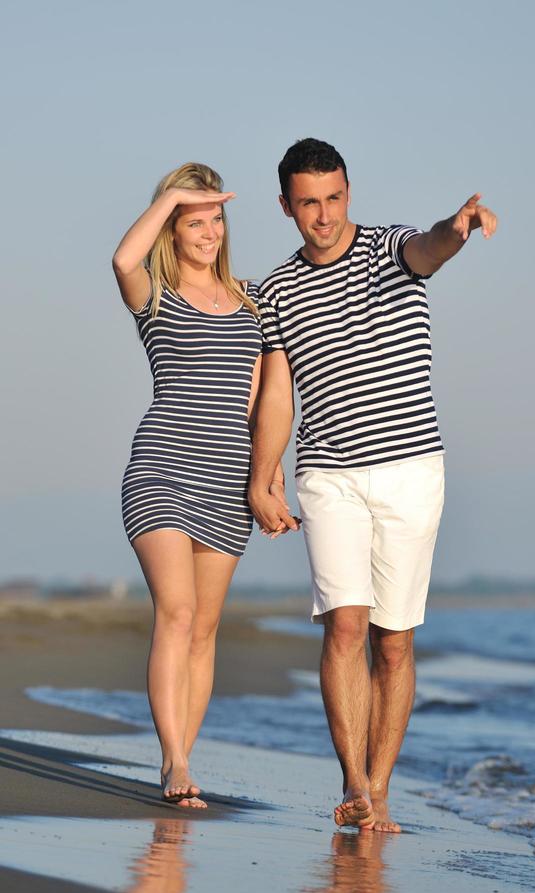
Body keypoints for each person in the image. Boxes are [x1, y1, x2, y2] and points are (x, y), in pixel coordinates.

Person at [249, 139, 497, 832]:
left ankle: (379, 789)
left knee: (392, 641)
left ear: (347, 194)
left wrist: (457, 228)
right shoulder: (277, 288)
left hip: (410, 468)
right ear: (285, 206)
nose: (321, 216)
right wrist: (261, 476)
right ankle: (354, 785)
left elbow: (430, 249)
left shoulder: (389, 247)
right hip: (327, 474)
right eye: (307, 203)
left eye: (332, 199)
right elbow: (275, 395)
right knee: (344, 625)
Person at [113, 163, 287, 807]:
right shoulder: (152, 293)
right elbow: (121, 256)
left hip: (224, 482)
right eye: (194, 218)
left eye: (215, 217)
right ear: (173, 226)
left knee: (205, 629)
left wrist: (265, 482)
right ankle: (174, 761)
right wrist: (173, 196)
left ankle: (184, 758)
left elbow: (264, 400)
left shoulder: (253, 301)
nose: (208, 230)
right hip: (160, 470)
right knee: (178, 613)